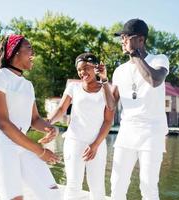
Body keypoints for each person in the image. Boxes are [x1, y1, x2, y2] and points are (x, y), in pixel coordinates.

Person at [0, 34, 61, 200]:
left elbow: (34, 119)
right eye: (29, 48)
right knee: (15, 198)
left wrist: (49, 128)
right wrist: (40, 151)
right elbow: (3, 123)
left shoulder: (27, 85)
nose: (33, 53)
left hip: (21, 145)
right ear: (15, 52)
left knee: (52, 194)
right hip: (0, 144)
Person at [110, 19, 169, 200]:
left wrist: (135, 55)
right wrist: (104, 82)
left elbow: (154, 80)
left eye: (126, 37)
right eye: (121, 37)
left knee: (148, 186)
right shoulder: (119, 70)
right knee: (117, 182)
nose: (122, 40)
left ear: (140, 39)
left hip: (152, 132)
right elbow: (111, 104)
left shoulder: (159, 59)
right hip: (127, 131)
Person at [48, 53, 114, 200]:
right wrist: (48, 123)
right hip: (74, 141)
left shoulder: (106, 89)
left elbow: (109, 119)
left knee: (97, 188)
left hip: (97, 144)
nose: (82, 72)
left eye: (86, 68)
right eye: (79, 69)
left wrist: (95, 145)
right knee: (73, 185)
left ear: (96, 68)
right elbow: (60, 110)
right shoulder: (73, 87)